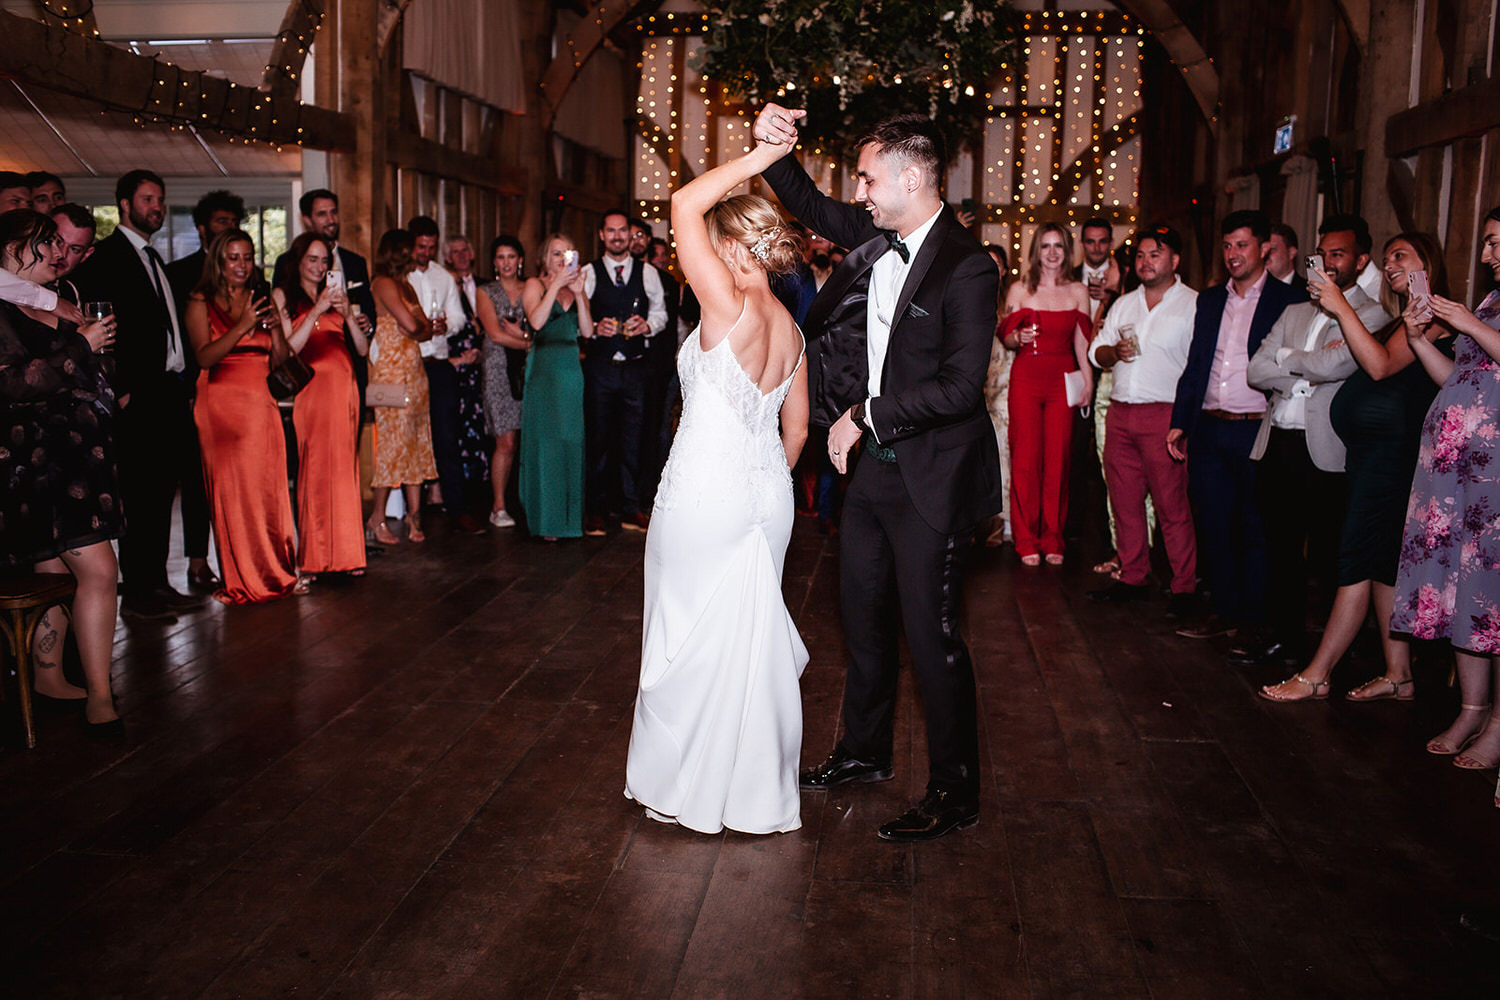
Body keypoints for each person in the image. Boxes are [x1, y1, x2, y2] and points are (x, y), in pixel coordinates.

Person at [757, 103, 1002, 842]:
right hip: (871, 479)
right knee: (861, 620)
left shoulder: (969, 266)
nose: (858, 192)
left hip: (931, 477)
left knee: (931, 638)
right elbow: (806, 201)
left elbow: (963, 387)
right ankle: (863, 752)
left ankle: (956, 791)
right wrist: (772, 145)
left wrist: (865, 413)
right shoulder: (877, 233)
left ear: (908, 175)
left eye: (867, 179)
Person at [623, 143, 811, 835]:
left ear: (729, 243)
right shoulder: (792, 328)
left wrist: (762, 155)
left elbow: (681, 204)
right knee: (747, 645)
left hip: (705, 491)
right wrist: (759, 480)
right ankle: (753, 791)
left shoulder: (725, 304)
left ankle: (686, 786)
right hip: (767, 495)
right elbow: (796, 429)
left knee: (683, 638)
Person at [1260, 232, 1452, 702]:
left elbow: (1382, 368)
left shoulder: (1429, 319)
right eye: (1386, 259)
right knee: (1382, 568)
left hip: (1391, 463)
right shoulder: (1398, 321)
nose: (1390, 265)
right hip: (1368, 459)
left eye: (1400, 256)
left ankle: (1317, 675)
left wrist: (1339, 305)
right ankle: (1398, 673)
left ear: (1428, 262)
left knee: (1353, 564)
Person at [1239, 214, 1384, 666]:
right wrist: (1304, 365)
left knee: (1328, 554)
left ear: (1362, 260)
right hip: (1278, 441)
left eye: (1338, 254)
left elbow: (1337, 368)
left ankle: (1337, 649)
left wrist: (1289, 359)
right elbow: (1255, 369)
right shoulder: (1293, 309)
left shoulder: (1374, 312)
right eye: (1323, 254)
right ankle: (1285, 637)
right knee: (1279, 549)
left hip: (1325, 448)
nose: (1328, 263)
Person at [0, 209, 123, 735]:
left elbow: (86, 372)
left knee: (53, 573)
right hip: (39, 467)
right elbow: (12, 383)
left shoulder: (57, 301)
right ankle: (100, 696)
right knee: (99, 571)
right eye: (42, 243)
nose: (56, 252)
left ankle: (49, 680)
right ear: (8, 249)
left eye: (55, 242)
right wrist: (82, 347)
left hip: (79, 459)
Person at [1390, 207, 1500, 769]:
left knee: (1493, 591)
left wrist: (1467, 325)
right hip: (1456, 472)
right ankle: (1471, 708)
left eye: (1496, 242)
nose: (1486, 255)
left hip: (1495, 476)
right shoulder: (1490, 304)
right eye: (1486, 243)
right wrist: (1418, 337)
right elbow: (1456, 378)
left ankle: (1498, 721)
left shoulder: (1478, 315)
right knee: (1465, 588)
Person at [1167, 210, 1307, 639]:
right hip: (1209, 427)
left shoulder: (1290, 300)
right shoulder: (1209, 301)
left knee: (1256, 526)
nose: (1232, 254)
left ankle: (1254, 619)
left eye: (1242, 245)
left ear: (1264, 248)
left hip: (1257, 428)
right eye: (1227, 246)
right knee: (1214, 522)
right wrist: (1179, 423)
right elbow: (1195, 366)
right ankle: (1224, 611)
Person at [71, 169, 203, 622]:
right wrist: (120, 390)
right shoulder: (106, 257)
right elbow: (99, 327)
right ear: (124, 204)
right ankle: (138, 595)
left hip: (168, 391)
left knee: (165, 491)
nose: (157, 208)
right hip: (137, 397)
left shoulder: (153, 257)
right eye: (148, 199)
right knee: (140, 494)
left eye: (161, 200)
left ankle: (158, 582)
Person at [183, 229, 301, 604]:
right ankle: (242, 579)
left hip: (261, 401)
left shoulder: (259, 299)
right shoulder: (199, 302)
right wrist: (243, 325)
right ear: (218, 260)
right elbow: (203, 357)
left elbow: (279, 359)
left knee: (268, 488)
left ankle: (276, 573)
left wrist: (277, 328)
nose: (241, 265)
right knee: (234, 494)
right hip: (222, 405)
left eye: (247, 257)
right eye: (233, 257)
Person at [1086, 225, 1198, 616]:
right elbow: (1093, 352)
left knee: (1172, 505)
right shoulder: (1124, 304)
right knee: (1125, 503)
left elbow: (1197, 368)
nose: (1146, 262)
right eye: (1141, 255)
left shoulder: (1193, 305)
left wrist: (1184, 420)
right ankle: (1132, 576)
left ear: (1175, 260)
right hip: (1120, 411)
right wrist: (1112, 353)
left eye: (1155, 254)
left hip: (1164, 414)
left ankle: (1184, 587)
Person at [998, 223, 1093, 566]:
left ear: (1068, 252)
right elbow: (1006, 337)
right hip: (1026, 375)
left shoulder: (1079, 291)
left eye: (1059, 247)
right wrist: (1016, 339)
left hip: (1062, 377)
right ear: (1035, 251)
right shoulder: (1019, 289)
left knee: (1059, 460)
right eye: (1045, 246)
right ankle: (1025, 538)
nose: (1052, 253)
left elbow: (1082, 341)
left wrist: (1088, 380)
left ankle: (1053, 537)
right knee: (1025, 459)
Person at [274, 232, 368, 581]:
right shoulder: (284, 295)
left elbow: (360, 349)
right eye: (312, 260)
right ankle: (312, 558)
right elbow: (289, 348)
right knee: (313, 469)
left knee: (345, 470)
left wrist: (348, 317)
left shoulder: (340, 297)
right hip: (312, 391)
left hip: (345, 388)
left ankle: (347, 554)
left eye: (324, 260)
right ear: (298, 261)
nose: (318, 267)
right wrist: (318, 309)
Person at [165, 189, 245, 595]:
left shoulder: (250, 278)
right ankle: (197, 561)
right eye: (220, 223)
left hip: (244, 394)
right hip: (193, 389)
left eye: (233, 223)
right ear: (201, 228)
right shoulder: (180, 275)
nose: (227, 230)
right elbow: (178, 342)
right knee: (195, 482)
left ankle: (246, 560)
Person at [580, 210, 669, 534]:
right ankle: (597, 510)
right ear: (602, 235)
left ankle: (632, 507)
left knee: (635, 440)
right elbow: (578, 314)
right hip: (600, 367)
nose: (618, 236)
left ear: (630, 237)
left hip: (635, 369)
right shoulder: (588, 272)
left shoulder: (647, 273)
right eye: (611, 231)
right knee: (598, 440)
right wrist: (591, 328)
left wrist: (648, 325)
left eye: (623, 231)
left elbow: (660, 313)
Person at [518, 235, 592, 540]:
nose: (561, 258)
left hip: (571, 369)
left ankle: (569, 520)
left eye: (566, 253)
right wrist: (556, 285)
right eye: (555, 253)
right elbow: (536, 322)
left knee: (571, 440)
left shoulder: (576, 286)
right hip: (545, 370)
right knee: (546, 442)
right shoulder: (535, 284)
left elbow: (587, 329)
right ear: (545, 257)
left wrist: (580, 294)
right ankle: (546, 521)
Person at [366, 229, 437, 545]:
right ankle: (376, 516)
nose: (416, 255)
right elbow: (414, 326)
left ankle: (414, 515)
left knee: (417, 443)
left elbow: (426, 332)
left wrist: (421, 327)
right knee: (393, 446)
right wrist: (419, 326)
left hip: (415, 372)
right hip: (392, 375)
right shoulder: (382, 283)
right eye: (410, 250)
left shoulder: (407, 286)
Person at [273, 189, 376, 406]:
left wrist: (359, 320)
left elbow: (364, 338)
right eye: (322, 214)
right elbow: (284, 343)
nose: (320, 267)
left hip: (348, 370)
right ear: (307, 220)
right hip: (307, 378)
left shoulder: (355, 262)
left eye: (334, 212)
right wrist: (317, 310)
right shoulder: (285, 270)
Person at [406, 216, 469, 529]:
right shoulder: (400, 277)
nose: (425, 253)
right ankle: (413, 510)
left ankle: (457, 507)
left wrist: (448, 324)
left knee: (447, 436)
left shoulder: (444, 277)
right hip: (410, 364)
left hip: (439, 363)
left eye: (431, 247)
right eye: (421, 247)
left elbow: (459, 318)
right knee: (411, 437)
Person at [477, 235, 532, 528]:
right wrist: (528, 342)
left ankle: (529, 501)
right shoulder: (485, 291)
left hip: (531, 369)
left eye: (512, 256)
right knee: (506, 441)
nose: (506, 263)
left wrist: (526, 340)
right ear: (494, 262)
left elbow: (540, 329)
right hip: (497, 368)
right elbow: (495, 335)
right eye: (501, 257)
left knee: (530, 439)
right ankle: (498, 506)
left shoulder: (533, 287)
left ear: (520, 260)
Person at [442, 235, 492, 529]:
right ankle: (460, 490)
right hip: (455, 363)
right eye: (455, 252)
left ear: (472, 253)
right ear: (447, 257)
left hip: (485, 363)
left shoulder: (484, 284)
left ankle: (482, 487)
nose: (461, 255)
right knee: (458, 428)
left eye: (465, 250)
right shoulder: (446, 284)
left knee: (483, 427)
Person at [1265, 222, 1306, 290]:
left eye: (1271, 249)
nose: (1264, 254)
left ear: (1291, 253)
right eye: (1263, 249)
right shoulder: (1252, 290)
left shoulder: (1309, 292)